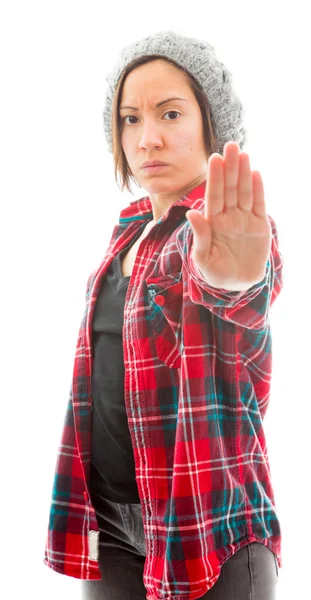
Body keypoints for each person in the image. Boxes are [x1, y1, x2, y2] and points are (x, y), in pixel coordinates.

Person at [43, 30, 284, 599]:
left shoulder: (224, 231)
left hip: (207, 525)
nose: (147, 137)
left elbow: (239, 289)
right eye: (130, 118)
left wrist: (234, 278)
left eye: (169, 113)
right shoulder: (128, 230)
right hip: (113, 526)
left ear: (211, 124)